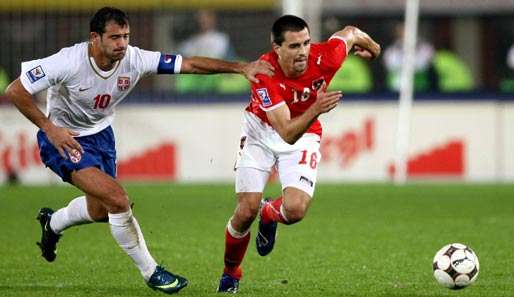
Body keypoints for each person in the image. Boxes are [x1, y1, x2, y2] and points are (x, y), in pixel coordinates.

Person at [4, 7, 272, 295]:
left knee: (100, 210)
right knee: (117, 199)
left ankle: (52, 223)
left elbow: (190, 65)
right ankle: (151, 271)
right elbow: (15, 90)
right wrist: (49, 128)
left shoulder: (136, 59)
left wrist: (240, 68)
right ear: (95, 38)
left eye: (126, 36)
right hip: (63, 139)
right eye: (115, 37)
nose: (122, 44)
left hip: (101, 136)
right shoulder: (67, 61)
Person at [217, 15, 380, 293]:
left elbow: (350, 33)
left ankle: (270, 213)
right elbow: (285, 132)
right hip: (263, 133)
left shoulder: (325, 56)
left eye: (306, 42)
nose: (303, 51)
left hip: (304, 133)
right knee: (245, 212)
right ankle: (231, 272)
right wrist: (316, 108)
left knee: (295, 210)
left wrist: (374, 49)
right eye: (294, 46)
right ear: (276, 48)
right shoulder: (264, 73)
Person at [383, 23, 434, 92]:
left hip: (419, 89)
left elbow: (423, 65)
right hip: (395, 89)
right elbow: (390, 64)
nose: (403, 33)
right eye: (401, 30)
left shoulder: (425, 47)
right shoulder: (391, 49)